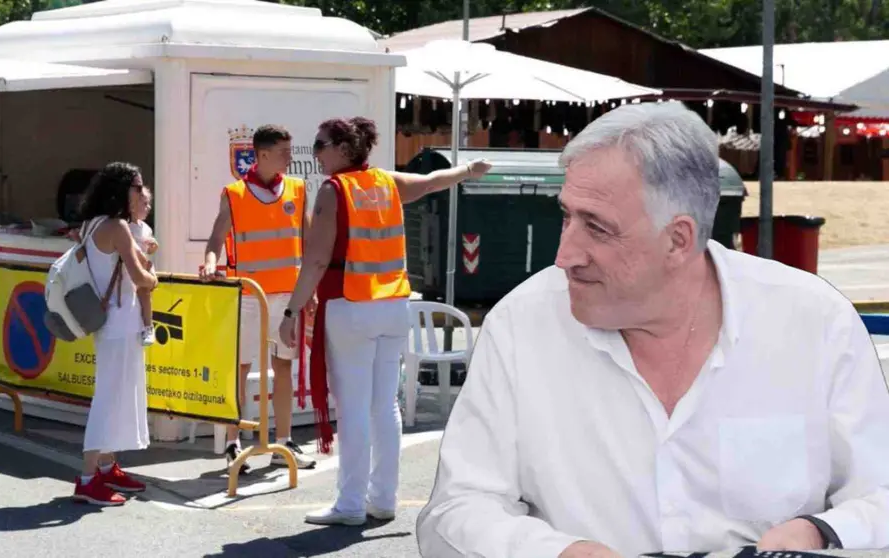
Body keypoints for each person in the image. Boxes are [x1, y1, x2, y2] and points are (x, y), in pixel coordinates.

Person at [416, 101, 889, 557]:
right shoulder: (522, 325)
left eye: (597, 228)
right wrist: (559, 553)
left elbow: (881, 493)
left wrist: (819, 530)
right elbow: (455, 511)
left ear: (678, 240)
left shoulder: (813, 321)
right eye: (567, 216)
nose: (565, 255)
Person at [277, 116, 491, 526]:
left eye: (321, 145)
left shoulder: (333, 190)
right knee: (384, 406)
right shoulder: (384, 182)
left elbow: (317, 259)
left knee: (354, 408)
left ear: (343, 149)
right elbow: (431, 182)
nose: (316, 152)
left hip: (351, 305)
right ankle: (383, 499)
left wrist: (291, 310)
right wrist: (468, 171)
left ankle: (350, 505)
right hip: (394, 304)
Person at [199, 124, 316, 472]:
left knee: (284, 366)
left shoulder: (297, 188)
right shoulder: (234, 193)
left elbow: (309, 244)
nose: (289, 156)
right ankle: (234, 443)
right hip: (249, 295)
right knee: (242, 367)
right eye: (283, 150)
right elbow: (215, 240)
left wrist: (309, 291)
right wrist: (208, 264)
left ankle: (284, 441)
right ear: (262, 154)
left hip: (287, 297)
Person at [72, 162, 158, 506]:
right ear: (121, 190)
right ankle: (89, 477)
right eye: (137, 187)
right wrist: (154, 278)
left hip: (110, 321)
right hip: (121, 321)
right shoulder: (118, 226)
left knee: (115, 395)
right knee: (110, 398)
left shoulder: (92, 224)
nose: (141, 192)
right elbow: (142, 278)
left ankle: (106, 467)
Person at [130, 185, 158, 346]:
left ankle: (148, 327)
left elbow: (150, 249)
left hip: (144, 268)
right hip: (128, 268)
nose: (148, 208)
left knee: (145, 293)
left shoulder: (146, 228)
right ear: (132, 205)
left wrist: (154, 247)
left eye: (149, 204)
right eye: (144, 204)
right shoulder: (124, 227)